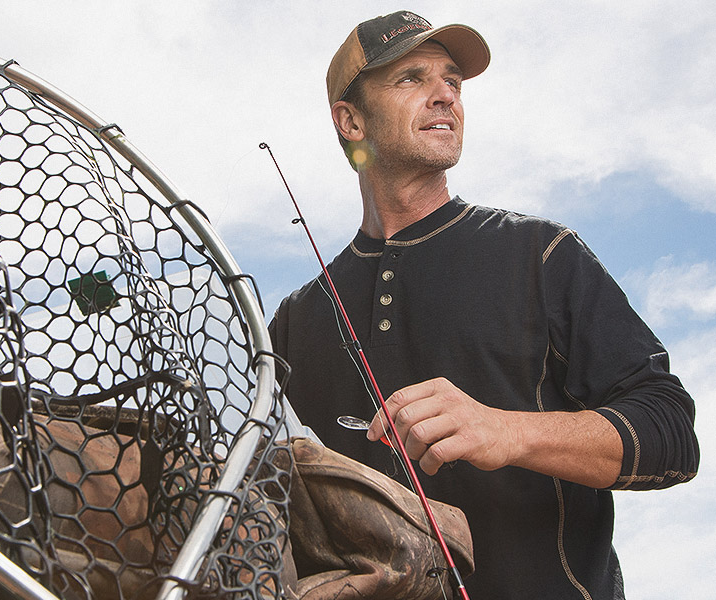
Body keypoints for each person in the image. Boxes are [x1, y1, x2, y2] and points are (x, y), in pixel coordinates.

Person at [269, 10, 699, 599]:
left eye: (452, 80)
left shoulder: (541, 254)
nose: (444, 94)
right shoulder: (294, 323)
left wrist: (505, 431)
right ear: (350, 120)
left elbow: (671, 434)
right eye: (411, 79)